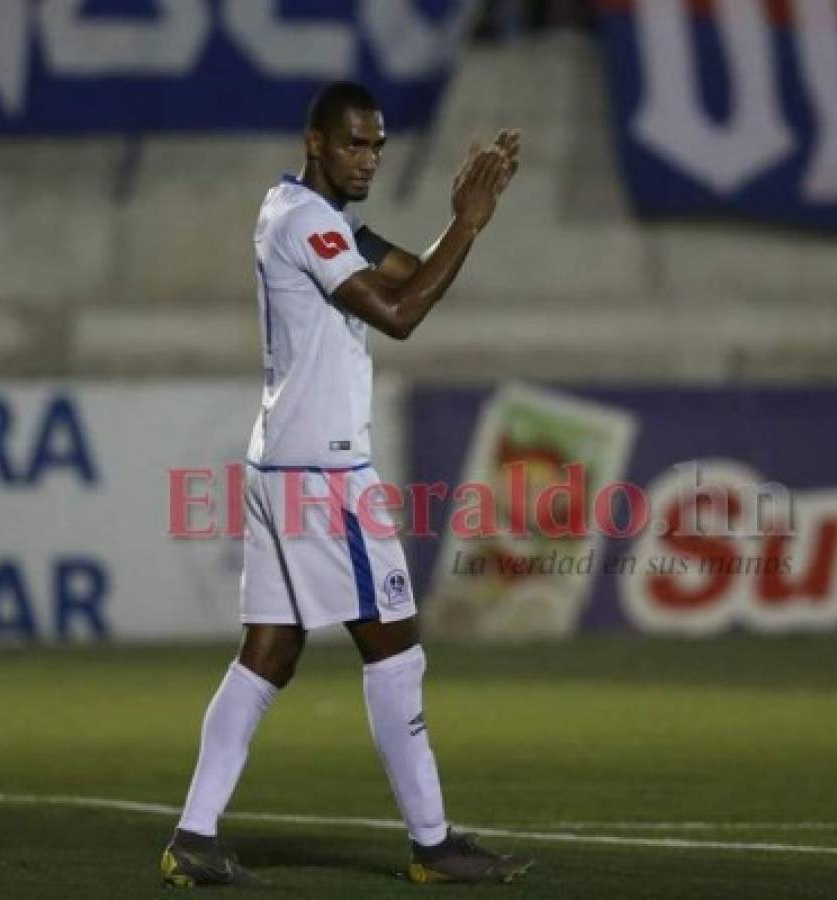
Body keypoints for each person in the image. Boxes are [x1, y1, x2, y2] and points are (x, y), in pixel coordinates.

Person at [160, 81, 527, 887]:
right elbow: (399, 314)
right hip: (322, 472)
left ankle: (192, 836)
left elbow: (411, 270)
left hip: (279, 463)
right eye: (354, 143)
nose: (368, 158)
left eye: (377, 145)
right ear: (315, 142)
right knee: (394, 648)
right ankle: (433, 845)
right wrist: (467, 222)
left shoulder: (304, 214)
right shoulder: (307, 224)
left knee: (268, 654)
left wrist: (463, 227)